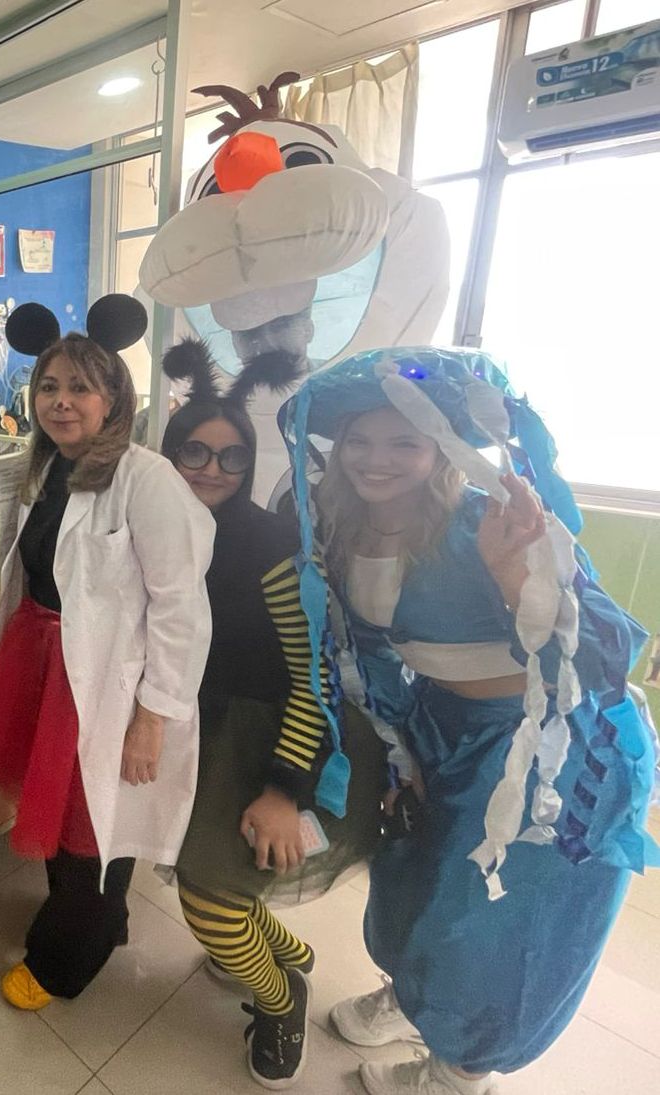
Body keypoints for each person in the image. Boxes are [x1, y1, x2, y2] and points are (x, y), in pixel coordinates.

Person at [279, 348, 658, 1095]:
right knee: (413, 883)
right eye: (360, 440)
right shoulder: (339, 527)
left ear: (439, 447)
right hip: (441, 730)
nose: (376, 459)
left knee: (490, 920)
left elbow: (607, 650)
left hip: (544, 752)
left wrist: (517, 581)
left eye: (404, 441)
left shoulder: (487, 519)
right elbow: (370, 655)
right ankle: (420, 1003)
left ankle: (460, 1072)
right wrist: (401, 752)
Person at [0, 296, 215, 1012]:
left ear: (114, 398)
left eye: (80, 388)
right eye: (49, 387)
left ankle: (64, 961)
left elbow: (182, 609)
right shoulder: (45, 468)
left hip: (106, 678)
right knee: (65, 815)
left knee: (93, 823)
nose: (60, 401)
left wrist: (152, 717)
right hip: (41, 658)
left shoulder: (145, 478)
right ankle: (100, 920)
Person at [159, 341, 383, 1088]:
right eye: (194, 450)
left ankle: (282, 999)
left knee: (209, 902)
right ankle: (283, 953)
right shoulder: (159, 533)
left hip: (269, 735)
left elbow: (311, 677)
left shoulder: (271, 548)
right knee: (217, 882)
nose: (211, 469)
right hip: (195, 729)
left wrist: (284, 788)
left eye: (232, 456)